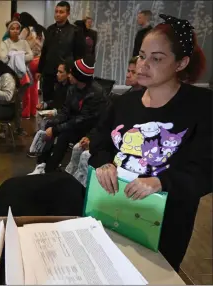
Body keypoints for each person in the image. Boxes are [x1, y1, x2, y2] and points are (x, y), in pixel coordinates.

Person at [90, 14, 210, 271]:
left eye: (156, 58)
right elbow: (99, 142)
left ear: (181, 63)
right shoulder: (123, 103)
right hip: (112, 208)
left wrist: (161, 182)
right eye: (142, 55)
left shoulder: (201, 106)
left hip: (165, 221)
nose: (143, 65)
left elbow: (205, 170)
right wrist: (103, 164)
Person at [65, 57, 145, 186]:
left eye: (133, 72)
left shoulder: (138, 103)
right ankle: (70, 181)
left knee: (86, 156)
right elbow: (105, 124)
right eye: (128, 71)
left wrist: (96, 144)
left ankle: (82, 189)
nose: (127, 75)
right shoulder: (122, 98)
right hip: (106, 140)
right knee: (77, 148)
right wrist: (90, 137)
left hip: (122, 149)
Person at [30, 57, 105, 175]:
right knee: (50, 123)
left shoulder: (95, 93)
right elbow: (65, 111)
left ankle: (49, 170)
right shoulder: (72, 88)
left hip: (89, 128)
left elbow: (83, 119)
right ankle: (40, 164)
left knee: (63, 135)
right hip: (74, 123)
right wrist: (54, 123)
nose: (69, 76)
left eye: (72, 73)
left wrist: (56, 130)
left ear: (79, 76)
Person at [36, 1, 86, 102]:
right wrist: (39, 70)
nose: (58, 14)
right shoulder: (50, 29)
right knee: (47, 101)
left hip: (66, 73)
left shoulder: (75, 31)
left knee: (63, 102)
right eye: (56, 11)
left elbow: (79, 55)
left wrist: (75, 73)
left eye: (61, 12)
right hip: (49, 72)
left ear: (68, 14)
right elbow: (45, 51)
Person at [18, 12, 46, 118]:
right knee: (34, 88)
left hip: (28, 61)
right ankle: (33, 111)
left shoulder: (26, 30)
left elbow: (19, 43)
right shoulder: (40, 30)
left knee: (26, 88)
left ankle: (26, 112)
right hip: (39, 60)